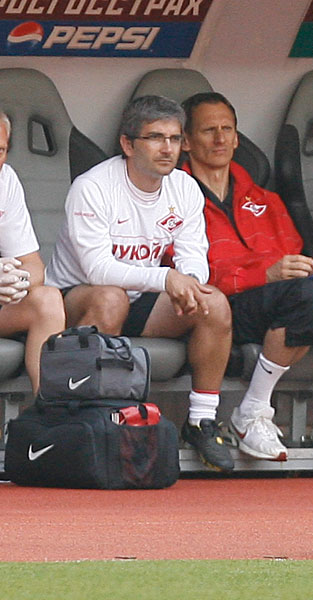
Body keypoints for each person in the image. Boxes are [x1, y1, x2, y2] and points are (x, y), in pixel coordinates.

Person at [45, 95, 235, 472]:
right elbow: (98, 269)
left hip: (142, 298)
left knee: (212, 302)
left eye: (175, 138)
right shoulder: (94, 186)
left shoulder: (184, 187)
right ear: (128, 144)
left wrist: (189, 285)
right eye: (155, 138)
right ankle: (92, 419)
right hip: (75, 302)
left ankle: (201, 421)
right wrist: (166, 278)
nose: (167, 148)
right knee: (111, 298)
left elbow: (195, 255)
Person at [180, 91, 313, 462]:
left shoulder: (266, 199)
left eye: (227, 130)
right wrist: (264, 275)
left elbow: (293, 259)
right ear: (186, 141)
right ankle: (252, 411)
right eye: (208, 131)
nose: (220, 139)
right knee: (309, 300)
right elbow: (184, 274)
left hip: (279, 301)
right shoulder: (174, 196)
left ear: (237, 139)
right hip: (220, 308)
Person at [0, 111, 66, 394]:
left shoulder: (5, 179)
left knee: (47, 300)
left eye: (0, 151)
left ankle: (49, 411)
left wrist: (14, 282)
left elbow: (33, 266)